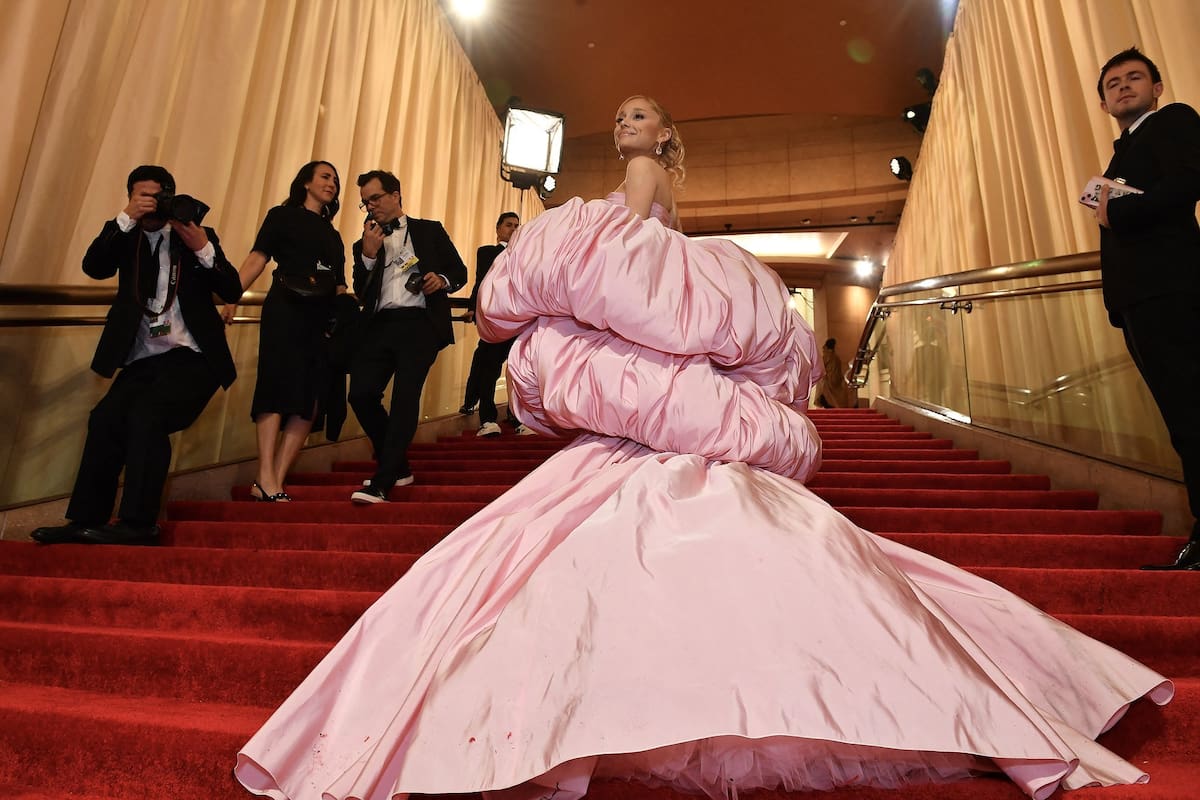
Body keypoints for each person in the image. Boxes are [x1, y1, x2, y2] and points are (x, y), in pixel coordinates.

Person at [235, 97, 1170, 800]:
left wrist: (630, 322)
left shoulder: (640, 217)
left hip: (670, 406)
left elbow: (653, 302)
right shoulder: (601, 216)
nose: (626, 120)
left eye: (643, 114)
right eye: (621, 113)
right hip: (638, 415)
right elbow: (591, 309)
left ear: (666, 138)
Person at [31, 165, 242, 546]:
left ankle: (139, 523)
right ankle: (85, 520)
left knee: (148, 414)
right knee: (105, 419)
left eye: (157, 196)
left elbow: (232, 289)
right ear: (130, 197)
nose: (150, 203)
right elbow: (94, 267)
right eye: (141, 196)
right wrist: (125, 218)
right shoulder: (123, 236)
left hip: (193, 356)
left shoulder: (193, 235)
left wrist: (202, 248)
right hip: (144, 358)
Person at [1092, 48, 1200, 570]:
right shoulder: (1119, 154)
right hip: (1137, 300)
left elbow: (1186, 186)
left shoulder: (1175, 121)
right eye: (1113, 83)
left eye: (1135, 78)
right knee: (1182, 418)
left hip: (1174, 288)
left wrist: (1119, 212)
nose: (1123, 87)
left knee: (1193, 412)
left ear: (1157, 88)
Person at [225, 161, 347, 502]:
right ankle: (265, 473)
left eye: (336, 180)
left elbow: (339, 285)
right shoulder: (281, 216)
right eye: (325, 177)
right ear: (305, 182)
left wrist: (340, 324)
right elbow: (256, 259)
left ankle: (273, 479)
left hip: (320, 316)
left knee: (310, 397)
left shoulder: (333, 235)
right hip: (285, 309)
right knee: (275, 385)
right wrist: (231, 295)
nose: (332, 183)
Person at [347, 170, 468, 503]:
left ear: (395, 195)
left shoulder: (429, 230)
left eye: (375, 198)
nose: (370, 206)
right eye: (365, 202)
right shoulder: (364, 243)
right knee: (360, 393)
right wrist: (369, 256)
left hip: (420, 323)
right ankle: (398, 465)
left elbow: (459, 272)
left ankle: (382, 480)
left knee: (404, 396)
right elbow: (360, 291)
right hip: (380, 325)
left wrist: (441, 279)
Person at [461, 212, 534, 436]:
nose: (513, 229)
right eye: (508, 225)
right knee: (489, 368)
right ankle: (487, 419)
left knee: (517, 370)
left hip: (520, 320)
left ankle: (517, 417)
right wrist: (474, 308)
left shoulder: (526, 255)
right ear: (498, 228)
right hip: (495, 320)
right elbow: (481, 282)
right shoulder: (488, 252)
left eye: (516, 226)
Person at [814, 337, 855, 408]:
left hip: (827, 383)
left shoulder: (826, 356)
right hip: (836, 381)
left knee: (827, 398)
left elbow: (821, 367)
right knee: (833, 400)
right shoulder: (836, 358)